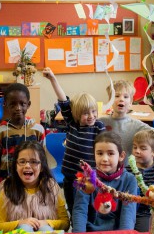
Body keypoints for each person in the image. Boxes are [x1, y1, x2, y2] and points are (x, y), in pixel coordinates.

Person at [42, 67, 107, 214]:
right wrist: (53, 78)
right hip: (71, 177)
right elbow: (63, 101)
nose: (91, 116)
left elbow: (104, 150)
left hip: (90, 179)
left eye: (93, 111)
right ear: (76, 114)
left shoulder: (98, 126)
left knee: (89, 210)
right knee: (73, 209)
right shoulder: (73, 123)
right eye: (85, 113)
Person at [0, 141, 69, 232]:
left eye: (33, 162)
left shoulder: (51, 186)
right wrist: (20, 223)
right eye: (22, 162)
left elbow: (65, 223)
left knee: (45, 229)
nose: (27, 166)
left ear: (42, 167)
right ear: (16, 166)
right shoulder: (7, 188)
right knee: (25, 228)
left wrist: (47, 222)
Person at [72, 132, 137, 232]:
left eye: (110, 153)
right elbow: (80, 210)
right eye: (99, 153)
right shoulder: (86, 178)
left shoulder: (129, 180)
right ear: (94, 154)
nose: (105, 159)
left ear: (121, 156)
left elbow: (128, 214)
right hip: (91, 233)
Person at [99, 79, 154, 162]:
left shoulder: (136, 125)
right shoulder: (101, 122)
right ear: (110, 101)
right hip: (105, 169)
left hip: (128, 170)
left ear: (130, 103)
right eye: (117, 96)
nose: (121, 99)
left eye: (126, 97)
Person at [0, 83, 45, 181]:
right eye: (13, 104)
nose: (18, 108)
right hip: (7, 181)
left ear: (28, 104)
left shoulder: (38, 130)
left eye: (22, 104)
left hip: (31, 180)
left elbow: (42, 157)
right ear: (5, 105)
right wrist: (1, 175)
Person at [130, 130, 154, 232]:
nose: (137, 151)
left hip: (153, 212)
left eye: (143, 148)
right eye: (135, 147)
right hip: (133, 212)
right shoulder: (128, 169)